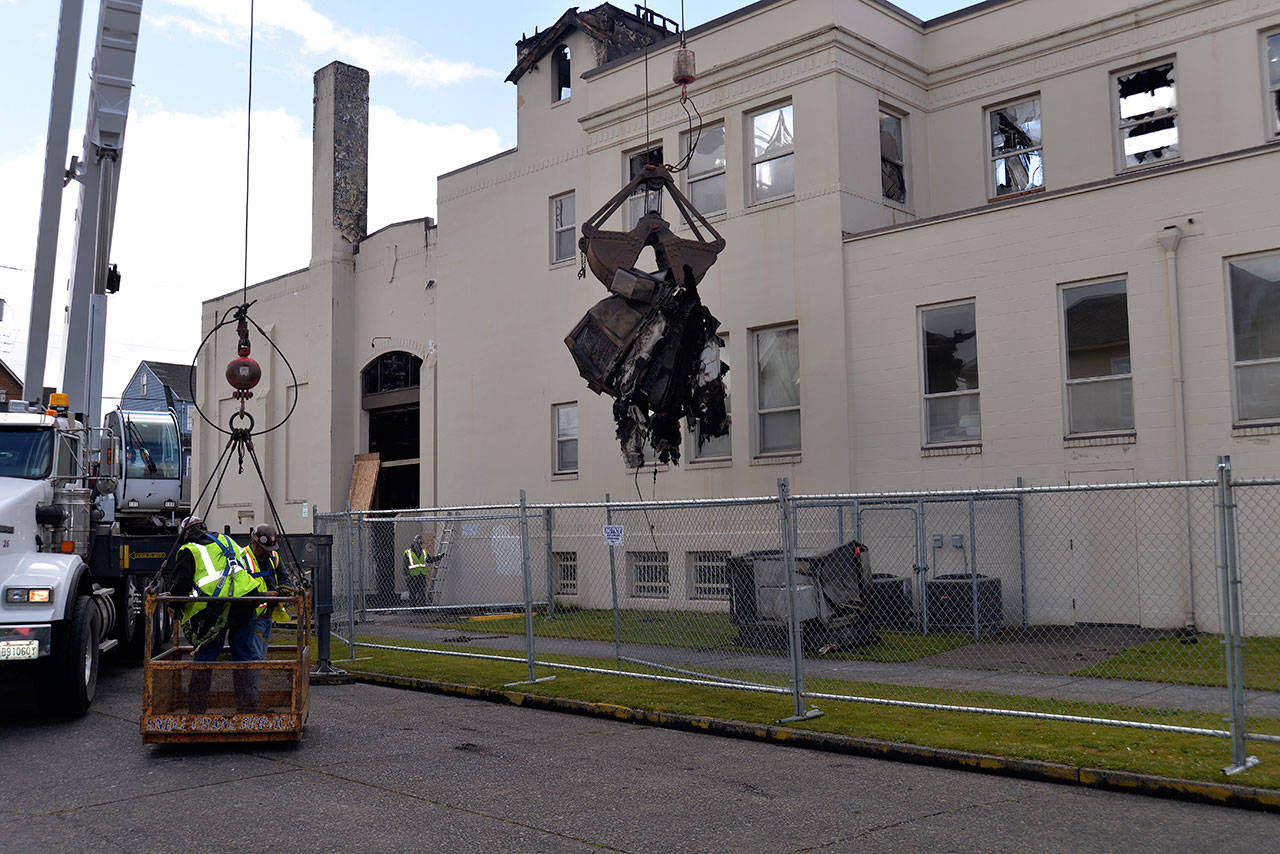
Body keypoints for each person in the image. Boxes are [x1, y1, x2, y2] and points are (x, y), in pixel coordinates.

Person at [161, 515, 267, 713]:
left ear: (184, 533)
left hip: (214, 608)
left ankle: (196, 712)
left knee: (206, 657)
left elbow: (181, 584)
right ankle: (247, 710)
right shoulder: (226, 540)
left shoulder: (189, 550)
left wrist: (174, 606)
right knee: (244, 657)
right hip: (246, 602)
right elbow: (246, 567)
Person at [242, 524, 293, 661]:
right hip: (250, 616)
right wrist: (265, 595)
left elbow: (284, 577)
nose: (268, 553)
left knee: (260, 655)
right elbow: (241, 592)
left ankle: (254, 680)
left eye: (271, 549)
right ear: (254, 543)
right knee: (254, 656)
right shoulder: (243, 558)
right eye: (265, 550)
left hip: (267, 614)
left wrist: (285, 589)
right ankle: (251, 681)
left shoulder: (274, 556)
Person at [403, 534, 444, 607]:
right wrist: (407, 576)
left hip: (421, 576)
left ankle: (421, 607)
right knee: (413, 593)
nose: (418, 545)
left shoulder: (423, 552)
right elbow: (405, 566)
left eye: (420, 544)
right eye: (417, 543)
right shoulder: (408, 552)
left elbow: (429, 560)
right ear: (414, 543)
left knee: (421, 592)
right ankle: (413, 608)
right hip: (412, 577)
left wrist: (439, 557)